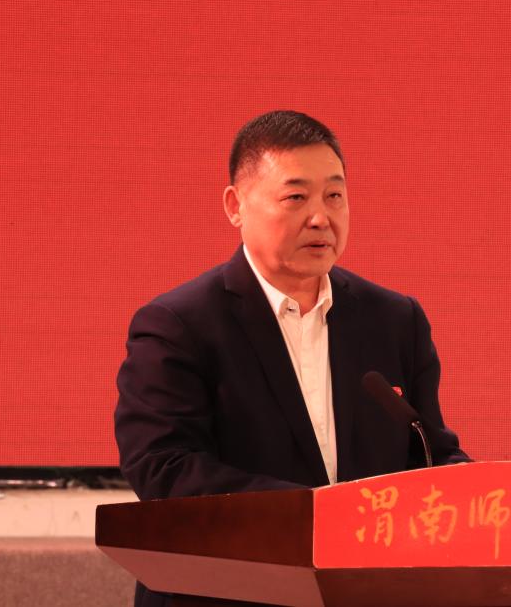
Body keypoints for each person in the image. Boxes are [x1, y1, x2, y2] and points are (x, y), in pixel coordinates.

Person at [114, 110, 469, 606]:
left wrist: (479, 498)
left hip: (363, 593)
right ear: (235, 206)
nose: (321, 217)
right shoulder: (179, 325)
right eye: (296, 197)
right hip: (225, 594)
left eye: (335, 196)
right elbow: (165, 469)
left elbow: (428, 452)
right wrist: (317, 514)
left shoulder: (394, 319)